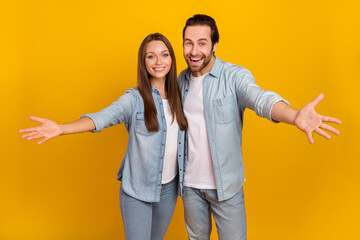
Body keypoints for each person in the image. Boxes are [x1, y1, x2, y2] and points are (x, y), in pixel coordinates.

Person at [177, 14, 342, 240]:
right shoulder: (180, 81)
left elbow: (260, 99)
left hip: (226, 187)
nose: (194, 51)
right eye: (189, 43)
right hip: (190, 186)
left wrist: (294, 116)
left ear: (215, 45)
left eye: (202, 43)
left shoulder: (234, 76)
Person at [19, 33, 188, 240]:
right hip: (137, 189)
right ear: (143, 62)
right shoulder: (134, 98)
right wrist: (62, 128)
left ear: (172, 58)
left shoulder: (180, 95)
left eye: (164, 55)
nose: (159, 61)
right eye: (151, 56)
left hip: (169, 188)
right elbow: (102, 117)